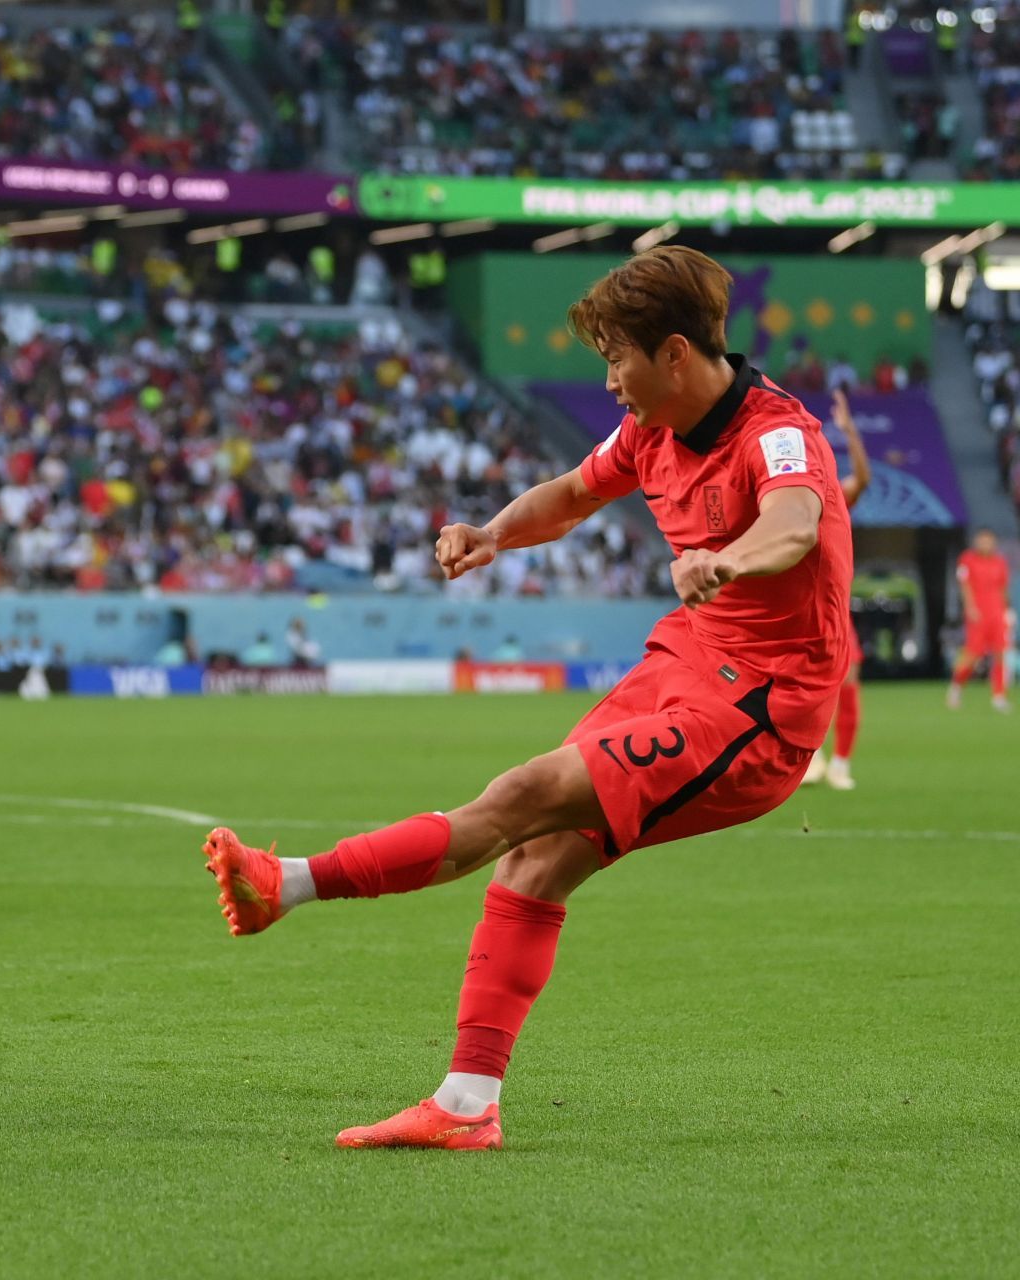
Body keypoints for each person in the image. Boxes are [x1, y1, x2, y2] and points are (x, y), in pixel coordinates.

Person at [199, 247, 853, 1150]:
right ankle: (466, 1108)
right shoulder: (650, 430)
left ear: (672, 354)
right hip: (686, 662)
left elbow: (793, 523)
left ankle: (291, 885)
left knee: (520, 797)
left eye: (616, 358)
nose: (610, 380)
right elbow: (573, 494)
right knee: (532, 859)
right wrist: (493, 534)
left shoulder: (779, 434)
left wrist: (725, 559)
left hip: (760, 711)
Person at [803, 387, 873, 789]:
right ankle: (809, 757)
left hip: (830, 606)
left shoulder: (830, 498)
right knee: (801, 688)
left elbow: (863, 478)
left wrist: (849, 431)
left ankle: (841, 763)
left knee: (848, 680)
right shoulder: (780, 496)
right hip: (792, 610)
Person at [948, 528, 1011, 712]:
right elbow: (964, 585)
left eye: (988, 540)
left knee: (1000, 653)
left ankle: (999, 695)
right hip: (978, 614)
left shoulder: (1000, 562)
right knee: (973, 655)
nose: (985, 544)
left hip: (997, 613)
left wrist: (1007, 610)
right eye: (982, 540)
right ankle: (957, 686)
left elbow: (1003, 588)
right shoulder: (967, 560)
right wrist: (970, 607)